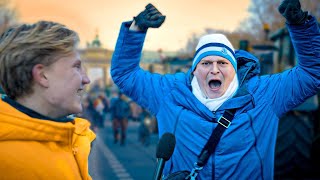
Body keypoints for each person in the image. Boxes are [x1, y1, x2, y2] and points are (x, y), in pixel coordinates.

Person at [111, 0, 320, 179]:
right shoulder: (169, 93)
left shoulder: (265, 94)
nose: (214, 70)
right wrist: (136, 30)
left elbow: (312, 74)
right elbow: (125, 75)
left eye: (222, 63)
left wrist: (301, 27)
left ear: (234, 68)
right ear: (194, 71)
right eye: (205, 63)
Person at [0, 21, 95, 179]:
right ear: (43, 75)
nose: (86, 79)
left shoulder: (61, 140)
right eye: (76, 67)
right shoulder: (9, 162)